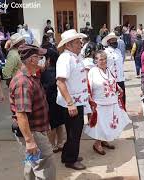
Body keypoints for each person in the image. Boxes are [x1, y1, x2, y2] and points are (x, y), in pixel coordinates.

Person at [9, 44, 56, 179]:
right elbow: (21, 114)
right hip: (33, 131)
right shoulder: (23, 82)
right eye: (40, 57)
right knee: (45, 165)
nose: (43, 59)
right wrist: (29, 140)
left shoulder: (30, 76)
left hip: (35, 130)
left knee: (32, 162)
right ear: (31, 60)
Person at [84, 51, 131, 155]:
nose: (103, 61)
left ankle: (104, 140)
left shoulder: (108, 70)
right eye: (101, 59)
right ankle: (97, 143)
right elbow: (88, 88)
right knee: (101, 125)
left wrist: (118, 87)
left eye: (105, 59)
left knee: (109, 123)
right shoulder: (92, 71)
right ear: (95, 61)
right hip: (99, 103)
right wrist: (90, 102)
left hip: (112, 101)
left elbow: (112, 81)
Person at [56, 29, 88, 170]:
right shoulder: (65, 58)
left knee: (73, 131)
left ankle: (67, 155)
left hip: (78, 101)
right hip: (72, 103)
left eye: (80, 42)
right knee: (75, 132)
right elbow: (60, 82)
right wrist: (70, 103)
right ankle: (71, 160)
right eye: (77, 42)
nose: (80, 45)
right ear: (68, 45)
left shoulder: (75, 56)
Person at [40, 46, 65, 153]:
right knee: (60, 123)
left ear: (49, 60)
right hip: (60, 100)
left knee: (52, 125)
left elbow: (46, 88)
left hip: (51, 101)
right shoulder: (59, 69)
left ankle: (52, 145)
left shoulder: (47, 72)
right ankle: (60, 143)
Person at [103, 32, 126, 109]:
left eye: (115, 40)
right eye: (113, 40)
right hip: (112, 79)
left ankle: (123, 116)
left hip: (121, 78)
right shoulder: (106, 52)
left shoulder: (118, 51)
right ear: (108, 42)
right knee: (113, 100)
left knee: (122, 99)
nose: (115, 42)